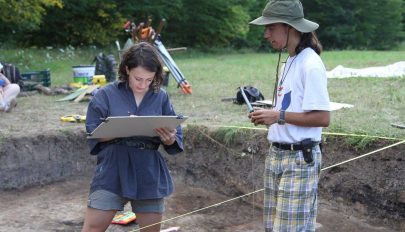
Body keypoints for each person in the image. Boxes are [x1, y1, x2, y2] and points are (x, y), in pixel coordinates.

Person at [82, 42, 184, 232]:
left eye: (149, 79)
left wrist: (169, 138)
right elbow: (92, 133)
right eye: (138, 78)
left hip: (148, 169)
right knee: (93, 228)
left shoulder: (160, 97)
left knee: (151, 230)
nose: (143, 84)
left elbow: (175, 138)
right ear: (127, 69)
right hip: (113, 167)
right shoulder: (105, 94)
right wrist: (122, 127)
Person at [248, 0, 330, 231]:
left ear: (290, 27)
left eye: (270, 28)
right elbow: (287, 109)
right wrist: (268, 117)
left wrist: (278, 116)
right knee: (273, 227)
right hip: (277, 155)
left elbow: (323, 118)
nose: (266, 34)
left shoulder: (310, 64)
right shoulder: (289, 62)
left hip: (299, 160)